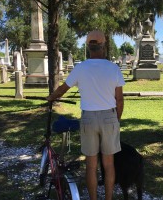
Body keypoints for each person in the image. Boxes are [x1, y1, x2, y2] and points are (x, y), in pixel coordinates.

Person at [46, 30, 125, 200]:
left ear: (89, 47)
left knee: (91, 166)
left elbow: (62, 90)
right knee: (109, 164)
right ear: (103, 46)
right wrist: (115, 120)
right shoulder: (113, 68)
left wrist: (51, 97)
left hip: (88, 118)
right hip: (109, 117)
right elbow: (119, 100)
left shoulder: (80, 68)